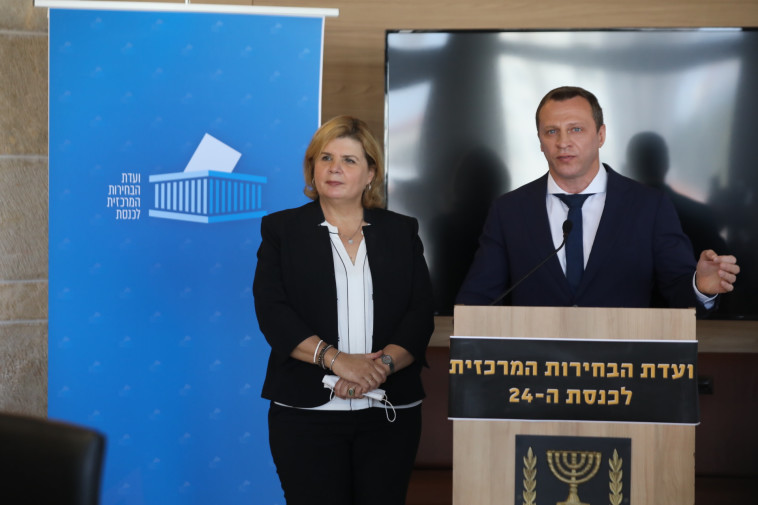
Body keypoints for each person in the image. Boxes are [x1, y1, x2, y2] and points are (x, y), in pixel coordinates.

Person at [253, 115, 435, 505]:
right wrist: (338, 361)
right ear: (312, 168)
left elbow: (420, 314)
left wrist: (378, 369)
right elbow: (273, 312)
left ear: (371, 172)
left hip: (389, 412)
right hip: (305, 413)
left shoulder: (401, 231)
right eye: (325, 158)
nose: (334, 168)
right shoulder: (281, 230)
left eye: (349, 160)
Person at [456, 86, 740, 310]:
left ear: (601, 135)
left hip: (622, 372)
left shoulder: (648, 206)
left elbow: (678, 293)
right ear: (540, 141)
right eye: (551, 131)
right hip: (535, 372)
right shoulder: (509, 211)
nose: (563, 142)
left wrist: (699, 287)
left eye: (576, 129)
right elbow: (476, 300)